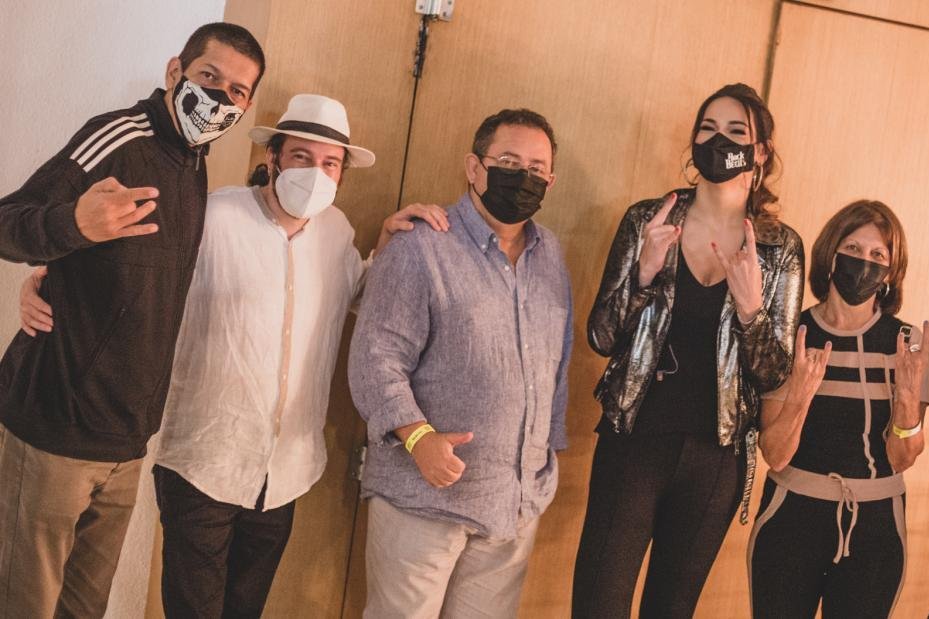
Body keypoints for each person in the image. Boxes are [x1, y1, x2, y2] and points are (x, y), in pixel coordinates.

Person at [17, 92, 447, 618]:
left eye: (330, 163)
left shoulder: (338, 232)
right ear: (273, 157)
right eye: (301, 157)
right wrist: (44, 281)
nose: (315, 173)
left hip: (285, 471)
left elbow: (357, 297)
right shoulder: (214, 215)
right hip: (203, 460)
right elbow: (137, 275)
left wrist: (390, 244)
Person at [0, 22, 264, 617]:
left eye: (237, 91)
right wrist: (72, 225)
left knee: (84, 608)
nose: (220, 98)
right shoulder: (120, 136)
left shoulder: (194, 166)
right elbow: (9, 221)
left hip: (125, 442)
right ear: (175, 72)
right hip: (54, 429)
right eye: (208, 77)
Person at [572, 83, 804, 619]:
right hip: (633, 439)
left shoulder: (779, 248)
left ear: (760, 152)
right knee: (598, 602)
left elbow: (774, 375)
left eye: (736, 132)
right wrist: (643, 275)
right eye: (707, 129)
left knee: (671, 609)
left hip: (716, 457)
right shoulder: (648, 220)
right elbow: (601, 337)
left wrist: (751, 311)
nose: (718, 140)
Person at [348, 108, 572, 618]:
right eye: (509, 162)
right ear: (474, 167)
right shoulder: (421, 244)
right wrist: (418, 438)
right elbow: (375, 358)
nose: (524, 177)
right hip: (422, 499)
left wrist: (541, 457)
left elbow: (557, 361)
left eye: (537, 169)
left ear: (550, 181)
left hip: (512, 505)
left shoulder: (551, 255)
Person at [748, 200, 929, 618]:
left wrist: (907, 402)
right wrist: (799, 396)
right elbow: (775, 454)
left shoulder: (908, 343)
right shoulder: (790, 333)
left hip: (876, 528)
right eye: (853, 249)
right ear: (831, 254)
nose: (864, 262)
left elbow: (902, 458)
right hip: (790, 518)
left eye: (878, 255)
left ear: (891, 271)